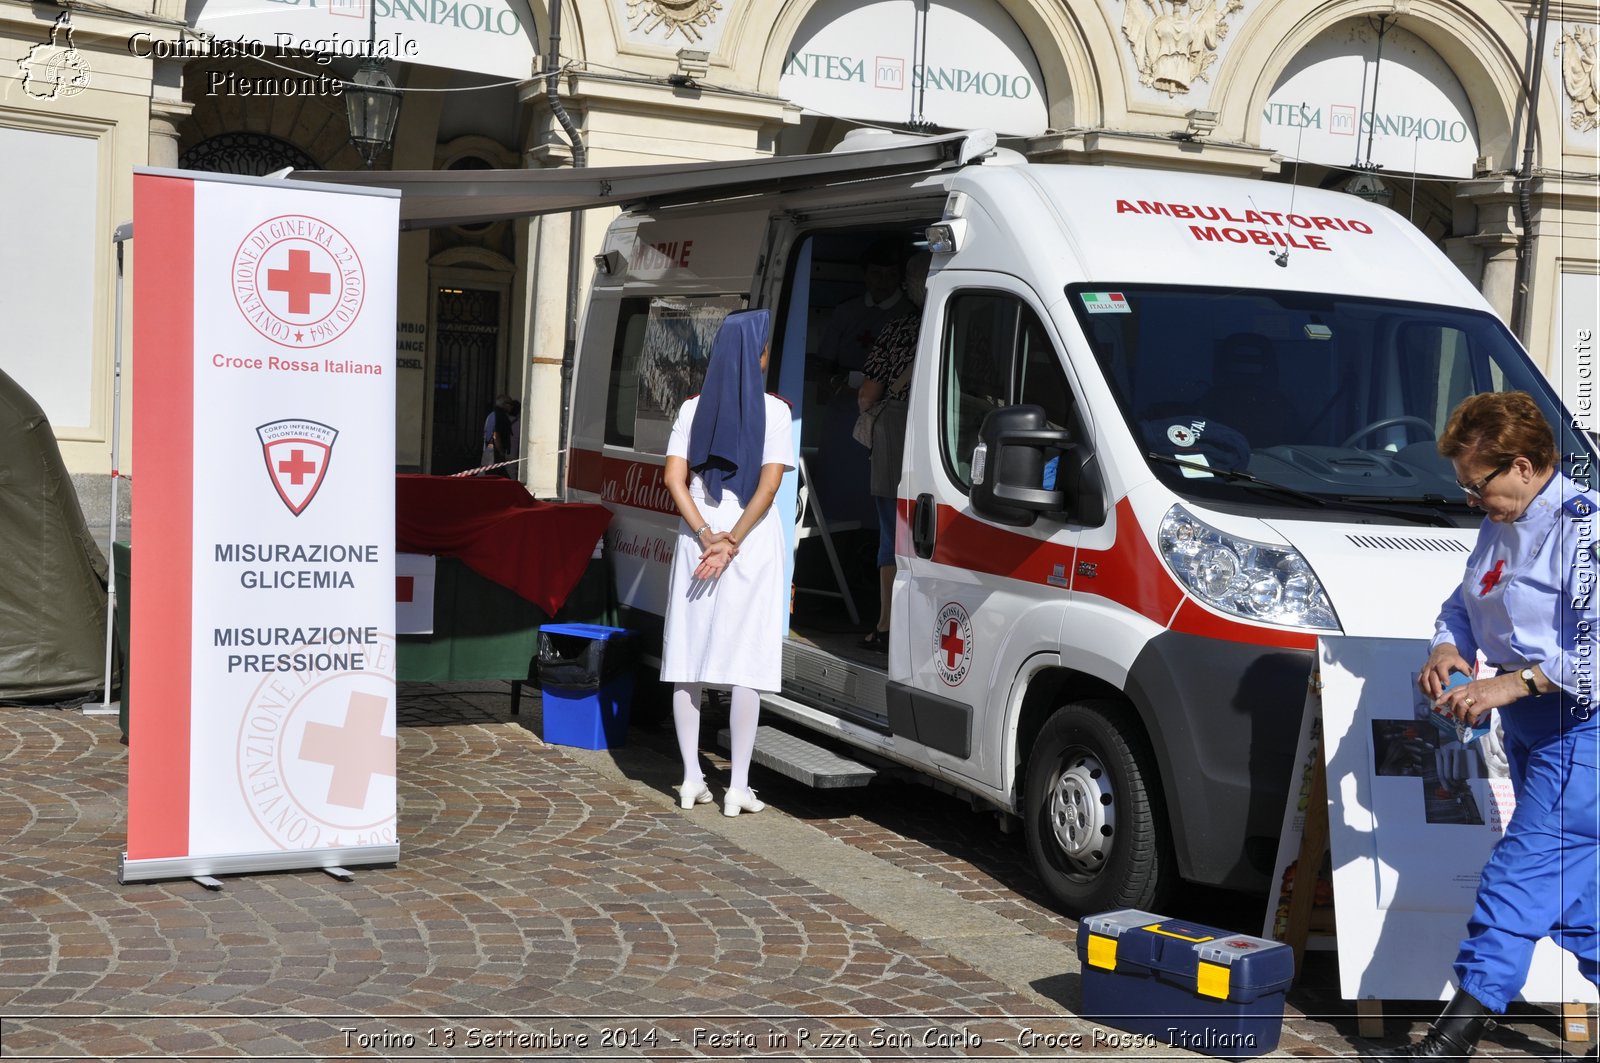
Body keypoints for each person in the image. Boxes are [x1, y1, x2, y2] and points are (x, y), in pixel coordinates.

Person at [1381, 391, 1599, 1060]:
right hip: (1533, 726)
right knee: (1573, 899)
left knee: (1519, 875)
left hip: (1581, 729)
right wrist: (1447, 647)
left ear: (1526, 466)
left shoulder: (1583, 529)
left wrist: (1509, 682)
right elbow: (1464, 602)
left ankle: (1451, 1041)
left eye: (1479, 485)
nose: (1473, 499)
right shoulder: (1500, 521)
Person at [660, 309, 796, 817]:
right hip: (751, 541)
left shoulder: (692, 408)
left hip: (697, 538)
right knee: (747, 662)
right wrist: (733, 540)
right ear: (756, 354)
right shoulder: (776, 412)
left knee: (686, 662)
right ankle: (737, 786)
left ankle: (692, 777)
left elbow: (675, 479)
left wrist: (705, 534)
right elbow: (770, 484)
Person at [854, 251, 931, 651]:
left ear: (908, 286)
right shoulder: (969, 325)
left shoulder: (900, 329)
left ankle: (887, 625)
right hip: (949, 433)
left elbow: (869, 394)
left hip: (897, 431)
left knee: (893, 528)